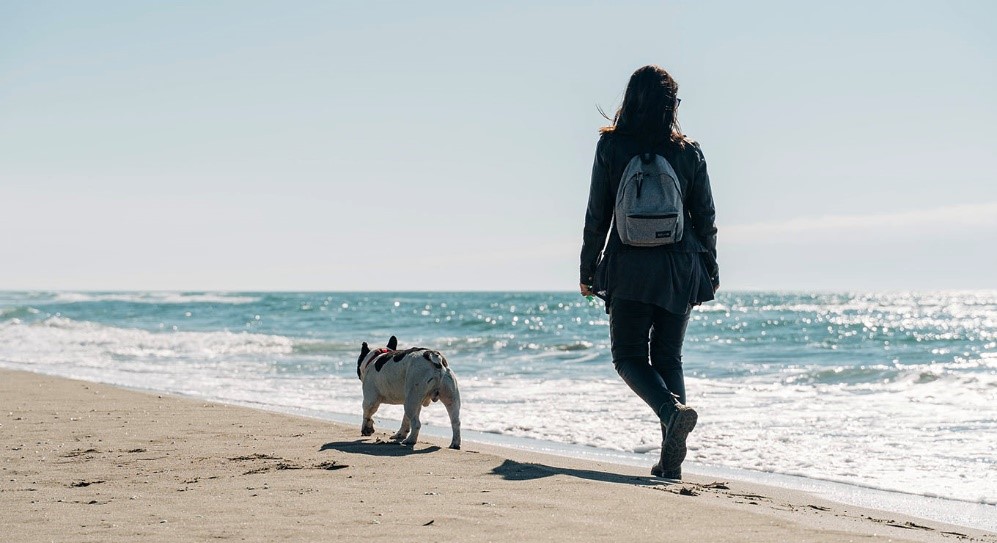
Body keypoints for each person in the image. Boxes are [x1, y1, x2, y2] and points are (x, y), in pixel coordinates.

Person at [579, 65, 719, 479]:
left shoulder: (611, 148)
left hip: (629, 267)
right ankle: (671, 458)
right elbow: (705, 216)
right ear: (669, 106)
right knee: (668, 357)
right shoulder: (689, 151)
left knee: (627, 356)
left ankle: (670, 413)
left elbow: (597, 214)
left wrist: (588, 269)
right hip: (680, 266)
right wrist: (709, 267)